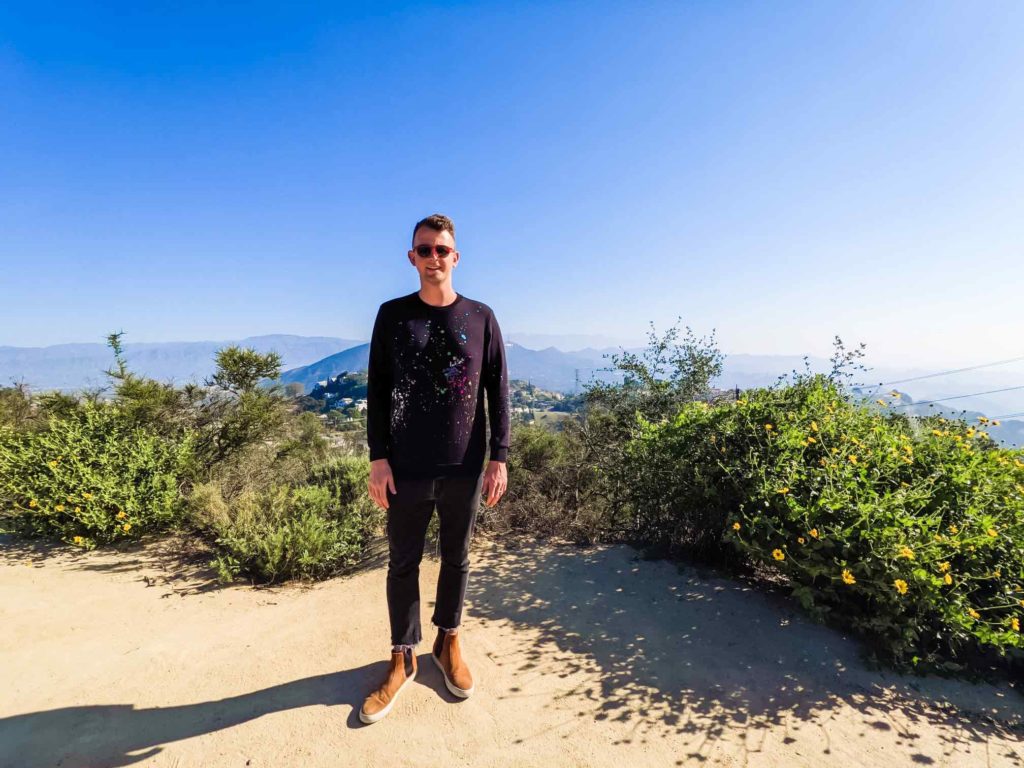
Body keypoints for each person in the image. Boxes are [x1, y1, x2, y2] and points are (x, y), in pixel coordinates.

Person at [358, 213, 510, 724]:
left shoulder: (482, 317)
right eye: (424, 250)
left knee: (456, 558)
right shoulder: (393, 315)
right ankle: (402, 655)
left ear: (456, 256)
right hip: (405, 466)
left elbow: (498, 391)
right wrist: (378, 457)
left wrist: (500, 457)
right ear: (412, 257)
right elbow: (376, 390)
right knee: (402, 561)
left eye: (442, 250)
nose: (433, 258)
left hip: (466, 466)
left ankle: (448, 642)